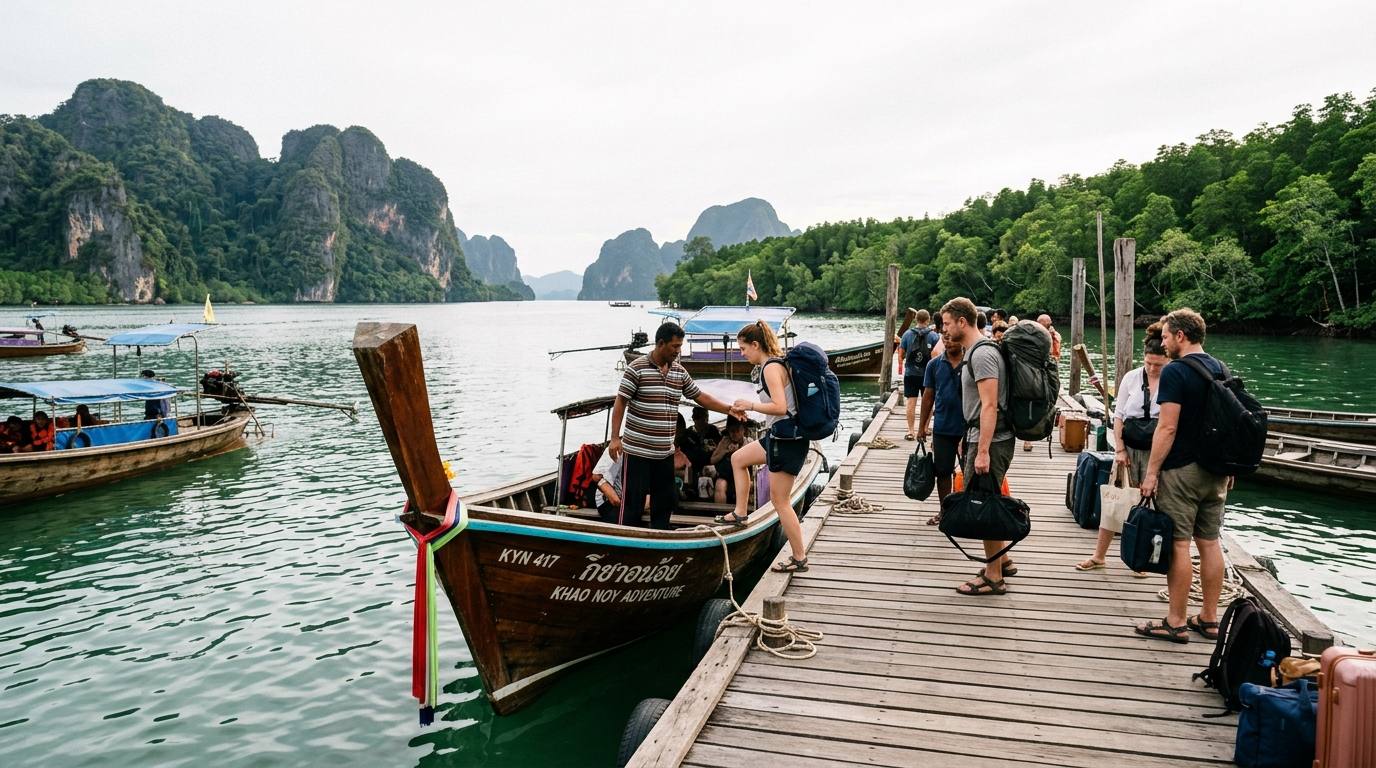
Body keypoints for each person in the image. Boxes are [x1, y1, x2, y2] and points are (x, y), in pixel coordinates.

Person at [1135, 308, 1230, 644]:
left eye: (1165, 336)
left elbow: (1168, 425)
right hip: (1216, 470)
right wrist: (1229, 469)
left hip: (1182, 470)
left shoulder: (1176, 371)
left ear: (1180, 335)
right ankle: (1208, 618)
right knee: (1209, 542)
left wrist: (1151, 472)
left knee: (1179, 544)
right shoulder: (1220, 367)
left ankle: (1175, 621)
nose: (1162, 342)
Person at [608, 322, 743, 529]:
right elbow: (620, 403)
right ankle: (624, 545)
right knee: (633, 504)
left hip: (664, 454)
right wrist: (615, 438)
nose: (678, 351)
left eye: (680, 346)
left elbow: (700, 396)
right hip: (638, 453)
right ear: (660, 344)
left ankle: (659, 543)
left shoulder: (679, 372)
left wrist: (728, 409)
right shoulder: (637, 369)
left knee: (664, 503)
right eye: (675, 347)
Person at [716, 320, 810, 573]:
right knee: (738, 459)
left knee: (781, 501)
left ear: (756, 345)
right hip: (779, 436)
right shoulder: (775, 365)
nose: (742, 353)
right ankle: (740, 513)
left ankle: (799, 557)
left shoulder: (770, 368)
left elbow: (780, 407)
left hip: (786, 441)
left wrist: (751, 405)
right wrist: (753, 413)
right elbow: (781, 409)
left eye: (743, 348)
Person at [1075, 322, 1167, 573]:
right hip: (1129, 446)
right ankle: (1099, 555)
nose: (1152, 368)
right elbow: (1118, 416)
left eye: (1158, 365)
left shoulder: (1172, 379)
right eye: (1149, 363)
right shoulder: (1132, 377)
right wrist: (1120, 449)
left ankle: (1142, 558)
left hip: (1156, 449)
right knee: (1115, 501)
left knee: (1151, 504)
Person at [943, 297, 1016, 596]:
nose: (944, 330)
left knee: (985, 503)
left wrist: (983, 450)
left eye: (947, 324)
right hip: (978, 435)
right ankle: (1001, 561)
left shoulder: (982, 354)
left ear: (963, 321)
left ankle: (994, 576)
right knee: (990, 496)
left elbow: (989, 406)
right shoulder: (978, 351)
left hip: (991, 440)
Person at [916, 324, 965, 526]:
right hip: (943, 427)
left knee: (969, 473)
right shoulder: (934, 365)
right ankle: (945, 511)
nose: (949, 342)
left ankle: (967, 511)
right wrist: (922, 426)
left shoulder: (971, 362)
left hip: (968, 428)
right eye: (945, 339)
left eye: (952, 339)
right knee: (942, 471)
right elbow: (928, 397)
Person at [899, 310, 940, 441]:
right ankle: (925, 428)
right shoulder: (934, 336)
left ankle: (910, 431)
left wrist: (902, 366)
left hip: (911, 373)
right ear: (928, 320)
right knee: (927, 402)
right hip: (927, 374)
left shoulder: (907, 334)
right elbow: (938, 354)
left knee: (911, 402)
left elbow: (901, 354)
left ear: (916, 319)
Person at [710, 416, 749, 503]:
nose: (734, 434)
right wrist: (725, 451)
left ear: (743, 430)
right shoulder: (725, 441)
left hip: (744, 475)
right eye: (731, 431)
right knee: (720, 485)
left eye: (737, 431)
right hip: (726, 475)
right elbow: (713, 460)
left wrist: (737, 453)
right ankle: (720, 514)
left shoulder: (749, 442)